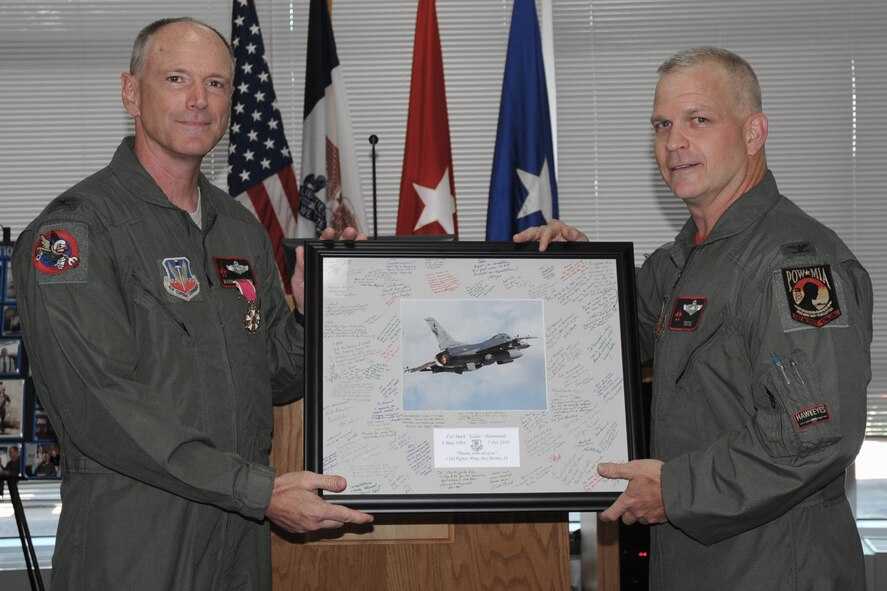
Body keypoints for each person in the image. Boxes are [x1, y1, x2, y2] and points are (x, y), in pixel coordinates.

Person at [12, 17, 371, 591]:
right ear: (131, 92)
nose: (198, 101)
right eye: (176, 78)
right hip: (134, 542)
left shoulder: (240, 228)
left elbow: (275, 375)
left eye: (216, 84)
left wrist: (311, 313)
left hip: (237, 542)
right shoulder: (76, 232)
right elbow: (103, 409)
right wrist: (258, 491)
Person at [516, 47, 872, 590]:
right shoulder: (684, 260)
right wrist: (578, 277)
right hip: (693, 561)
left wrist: (675, 491)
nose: (673, 142)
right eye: (662, 124)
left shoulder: (794, 264)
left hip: (775, 567)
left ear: (754, 133)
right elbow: (607, 343)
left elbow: (818, 434)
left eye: (698, 120)